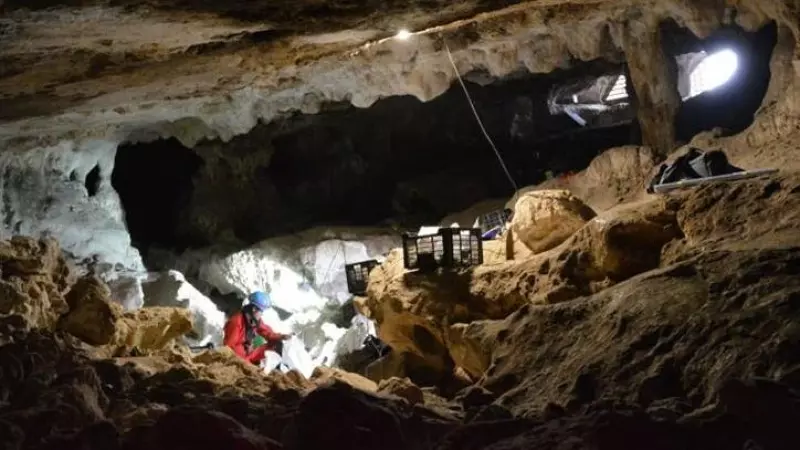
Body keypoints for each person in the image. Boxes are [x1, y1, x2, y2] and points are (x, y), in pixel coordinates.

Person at [223, 291, 290, 365]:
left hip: (247, 353)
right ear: (254, 309)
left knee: (276, 344)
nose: (261, 314)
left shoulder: (254, 321)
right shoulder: (236, 322)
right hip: (238, 356)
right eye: (261, 311)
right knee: (240, 351)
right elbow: (228, 347)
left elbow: (267, 332)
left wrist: (281, 337)